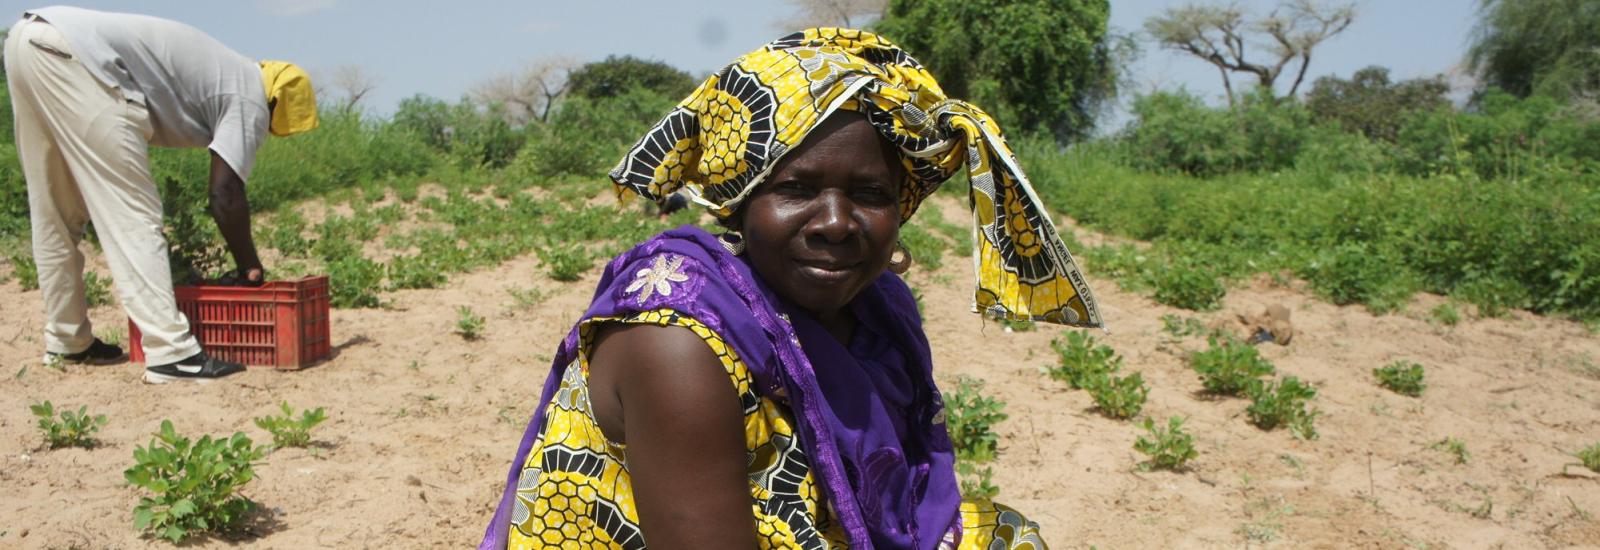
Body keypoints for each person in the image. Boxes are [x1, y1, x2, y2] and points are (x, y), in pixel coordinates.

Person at [481, 28, 1102, 549]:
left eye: (869, 194)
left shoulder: (878, 308)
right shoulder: (677, 344)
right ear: (740, 203)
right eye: (798, 190)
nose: (835, 224)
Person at [4, 6, 318, 383]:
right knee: (131, 212)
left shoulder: (228, 71)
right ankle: (171, 353)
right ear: (275, 105)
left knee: (54, 211)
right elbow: (225, 194)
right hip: (81, 58)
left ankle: (67, 340)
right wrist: (250, 267)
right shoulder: (252, 97)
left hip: (29, 39)